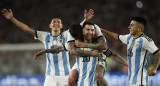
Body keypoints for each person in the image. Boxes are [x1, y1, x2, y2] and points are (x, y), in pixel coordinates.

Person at [1, 8, 94, 86]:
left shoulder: (66, 35)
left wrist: (85, 19)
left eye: (58, 22)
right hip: (50, 76)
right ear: (50, 25)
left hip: (65, 75)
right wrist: (12, 18)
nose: (56, 23)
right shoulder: (44, 36)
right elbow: (26, 29)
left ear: (61, 26)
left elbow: (77, 27)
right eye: (54, 22)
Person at [100, 17, 160, 86]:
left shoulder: (146, 40)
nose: (129, 27)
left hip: (140, 81)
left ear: (139, 28)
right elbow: (116, 36)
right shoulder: (129, 37)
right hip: (131, 80)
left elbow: (158, 53)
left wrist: (154, 68)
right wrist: (102, 30)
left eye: (132, 25)